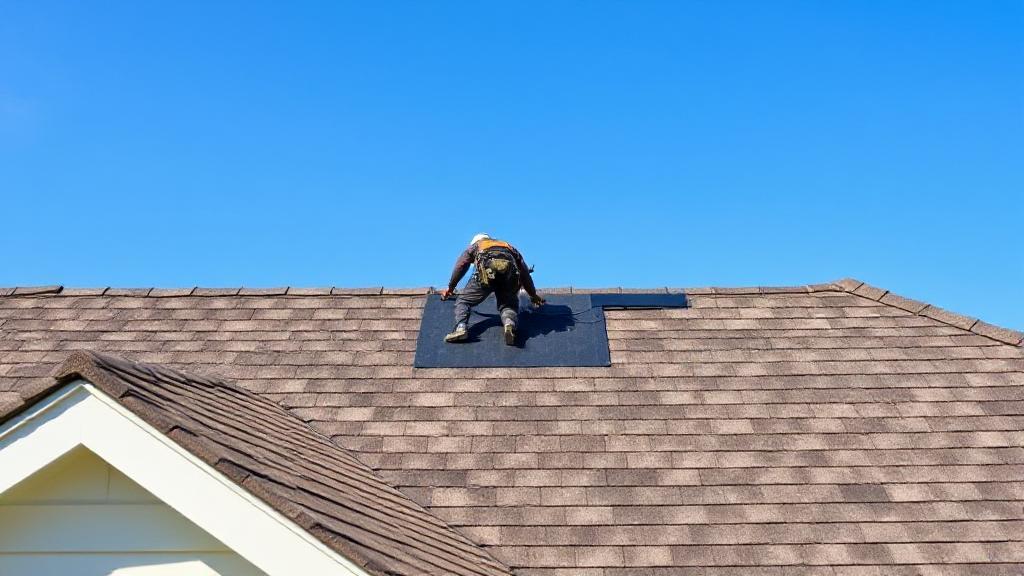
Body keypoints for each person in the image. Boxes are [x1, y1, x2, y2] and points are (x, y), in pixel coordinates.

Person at [440, 234, 545, 345]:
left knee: (463, 301)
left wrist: (451, 287)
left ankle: (461, 328)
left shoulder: (477, 245)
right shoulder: (508, 247)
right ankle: (509, 324)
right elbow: (524, 272)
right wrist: (533, 294)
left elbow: (461, 265)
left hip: (487, 274)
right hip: (509, 276)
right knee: (508, 305)